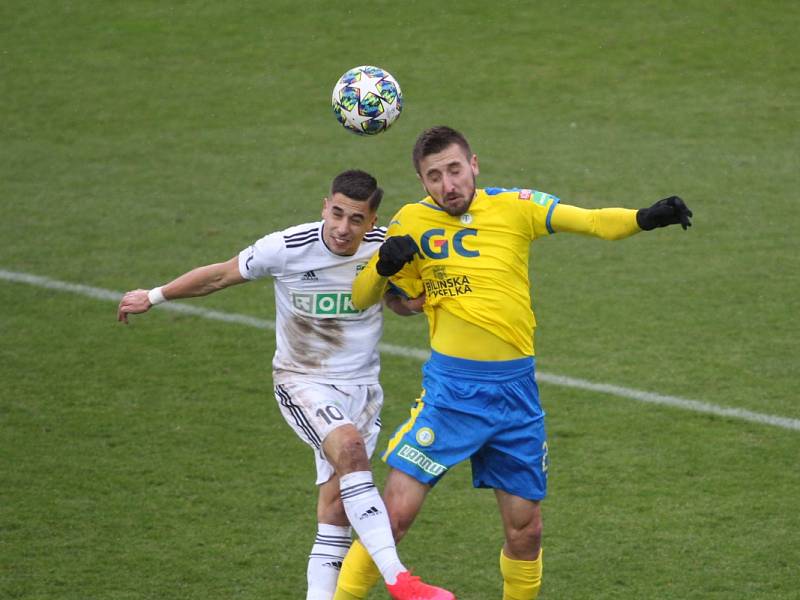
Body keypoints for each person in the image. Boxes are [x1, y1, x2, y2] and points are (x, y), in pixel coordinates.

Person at [333, 127, 693, 600]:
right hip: (452, 395)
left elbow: (590, 221)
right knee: (394, 517)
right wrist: (382, 265)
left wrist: (645, 218)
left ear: (474, 164)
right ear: (422, 181)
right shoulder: (409, 223)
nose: (448, 185)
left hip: (516, 396)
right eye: (434, 176)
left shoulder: (515, 206)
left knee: (527, 533)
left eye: (455, 170)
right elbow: (361, 299)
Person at [116, 169, 454, 600]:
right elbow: (220, 275)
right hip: (302, 382)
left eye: (355, 219)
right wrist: (155, 295)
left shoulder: (382, 247)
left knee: (335, 512)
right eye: (336, 214)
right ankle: (398, 579)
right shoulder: (287, 247)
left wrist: (412, 304)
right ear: (323, 207)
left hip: (363, 389)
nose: (342, 228)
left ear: (372, 221)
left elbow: (395, 301)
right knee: (349, 450)